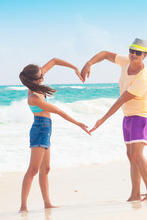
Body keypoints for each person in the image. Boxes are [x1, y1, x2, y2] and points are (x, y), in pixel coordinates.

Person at [81, 38, 147, 202]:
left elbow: (121, 99)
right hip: (128, 116)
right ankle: (135, 194)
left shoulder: (143, 78)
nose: (133, 55)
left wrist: (102, 119)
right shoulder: (125, 61)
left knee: (137, 154)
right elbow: (105, 54)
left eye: (138, 53)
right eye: (132, 50)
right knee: (131, 155)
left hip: (141, 116)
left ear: (145, 56)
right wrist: (89, 63)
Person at [18, 58, 90, 213]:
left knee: (46, 168)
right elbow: (58, 111)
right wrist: (78, 123)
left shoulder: (36, 81)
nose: (43, 78)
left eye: (42, 74)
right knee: (33, 169)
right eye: (41, 77)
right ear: (33, 81)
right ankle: (23, 206)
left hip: (46, 129)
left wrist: (74, 67)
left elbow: (55, 61)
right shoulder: (34, 98)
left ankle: (47, 203)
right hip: (40, 130)